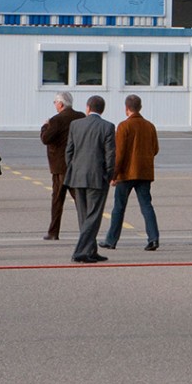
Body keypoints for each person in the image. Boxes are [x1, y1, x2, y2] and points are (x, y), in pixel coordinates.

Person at [101, 94, 160, 252]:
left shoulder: (123, 126)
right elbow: (155, 149)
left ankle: (111, 240)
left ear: (126, 108)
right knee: (146, 205)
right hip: (145, 173)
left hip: (126, 173)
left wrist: (113, 175)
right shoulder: (150, 126)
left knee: (119, 207)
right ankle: (153, 238)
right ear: (140, 108)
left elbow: (119, 154)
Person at [65, 95, 116, 263]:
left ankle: (90, 250)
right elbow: (110, 155)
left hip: (77, 175)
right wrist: (108, 174)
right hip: (96, 177)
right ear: (102, 109)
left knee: (84, 215)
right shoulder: (107, 127)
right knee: (94, 215)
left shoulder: (76, 125)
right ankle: (81, 251)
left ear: (87, 107)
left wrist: (73, 169)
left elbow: (69, 151)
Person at [38, 91, 83, 240]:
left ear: (61, 104)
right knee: (80, 199)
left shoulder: (56, 120)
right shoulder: (81, 116)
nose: (55, 105)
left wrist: (44, 126)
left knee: (57, 199)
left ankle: (53, 232)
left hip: (59, 166)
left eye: (55, 102)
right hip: (76, 164)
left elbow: (46, 139)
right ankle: (86, 229)